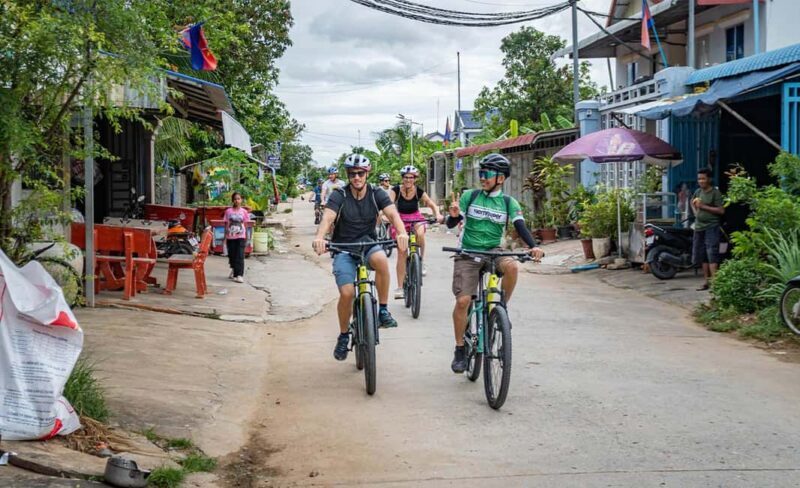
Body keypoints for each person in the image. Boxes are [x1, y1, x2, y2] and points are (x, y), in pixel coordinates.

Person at [445, 153, 544, 373]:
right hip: (468, 252)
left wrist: (533, 246)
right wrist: (452, 216)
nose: (483, 177)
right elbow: (452, 224)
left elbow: (520, 225)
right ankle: (460, 348)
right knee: (463, 301)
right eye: (481, 173)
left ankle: (502, 308)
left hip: (493, 251)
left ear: (501, 178)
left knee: (512, 266)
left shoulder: (508, 202)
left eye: (487, 173)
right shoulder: (469, 197)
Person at [313, 154, 409, 361]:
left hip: (368, 244)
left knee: (382, 260)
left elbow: (393, 215)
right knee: (347, 293)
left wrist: (401, 232)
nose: (356, 177)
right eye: (352, 174)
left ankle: (382, 310)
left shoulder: (376, 194)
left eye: (360, 173)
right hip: (344, 247)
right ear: (347, 175)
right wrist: (320, 238)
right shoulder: (340, 194)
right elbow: (328, 217)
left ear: (368, 173)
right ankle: (343, 335)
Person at [389, 165, 443, 298]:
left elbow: (431, 203)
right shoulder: (395, 190)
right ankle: (400, 287)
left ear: (415, 179)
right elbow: (388, 205)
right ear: (402, 178)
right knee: (402, 252)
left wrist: (438, 214)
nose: (408, 180)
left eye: (411, 177)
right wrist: (385, 216)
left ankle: (421, 261)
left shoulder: (419, 191)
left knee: (420, 234)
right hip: (400, 220)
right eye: (406, 177)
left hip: (416, 218)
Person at [692, 168, 725, 291]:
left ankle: (715, 284)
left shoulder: (715, 193)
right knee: (703, 255)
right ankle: (706, 282)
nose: (701, 181)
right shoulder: (698, 192)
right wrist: (696, 213)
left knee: (712, 253)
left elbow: (721, 210)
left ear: (709, 179)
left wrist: (703, 207)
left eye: (703, 178)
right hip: (699, 227)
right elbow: (692, 202)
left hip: (712, 227)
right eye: (699, 178)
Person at [223, 192, 250, 283]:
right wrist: (225, 237)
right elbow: (226, 224)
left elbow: (246, 224)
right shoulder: (228, 211)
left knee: (240, 255)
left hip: (241, 236)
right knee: (232, 255)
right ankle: (234, 269)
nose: (237, 200)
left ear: (241, 200)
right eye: (235, 199)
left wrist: (246, 236)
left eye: (238, 199)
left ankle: (239, 275)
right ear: (232, 200)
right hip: (230, 237)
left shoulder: (244, 212)